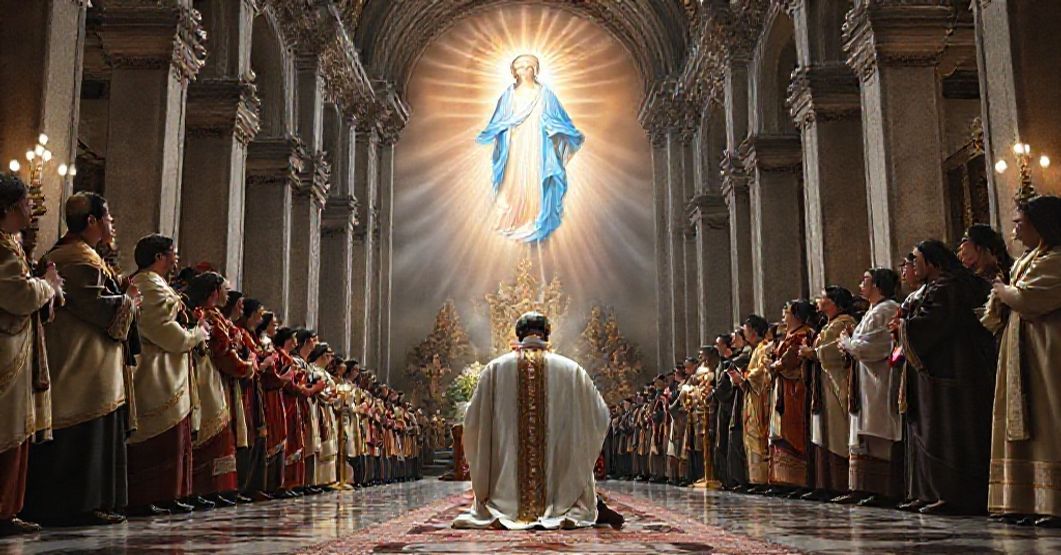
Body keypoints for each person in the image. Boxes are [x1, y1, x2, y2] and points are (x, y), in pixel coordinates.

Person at [23, 192, 138, 526]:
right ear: (91, 221)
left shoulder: (85, 255)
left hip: (92, 364)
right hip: (80, 362)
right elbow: (99, 308)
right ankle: (77, 505)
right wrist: (128, 301)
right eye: (108, 216)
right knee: (81, 434)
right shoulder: (76, 258)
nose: (112, 222)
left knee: (92, 433)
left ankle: (92, 503)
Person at [453, 312, 622, 529]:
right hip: (559, 486)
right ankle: (564, 500)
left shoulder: (495, 370)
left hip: (505, 490)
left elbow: (473, 422)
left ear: (519, 335)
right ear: (546, 335)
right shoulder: (571, 370)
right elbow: (600, 415)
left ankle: (508, 504)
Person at [898, 239, 995, 515]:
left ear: (933, 262)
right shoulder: (941, 286)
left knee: (947, 432)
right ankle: (932, 491)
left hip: (952, 370)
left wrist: (903, 327)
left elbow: (933, 324)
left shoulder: (948, 287)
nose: (913, 267)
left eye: (917, 261)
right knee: (933, 430)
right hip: (943, 370)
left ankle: (954, 495)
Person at [982, 196, 1061, 527]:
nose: (1014, 230)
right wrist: (1003, 292)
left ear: (1040, 225)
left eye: (1019, 222)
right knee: (1023, 421)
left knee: (1048, 417)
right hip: (1022, 348)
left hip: (1047, 350)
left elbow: (1028, 299)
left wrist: (1002, 289)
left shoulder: (1056, 259)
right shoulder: (1030, 259)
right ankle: (1027, 498)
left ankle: (1054, 502)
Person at [126, 234, 209, 516]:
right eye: (172, 253)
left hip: (169, 372)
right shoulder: (147, 285)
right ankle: (148, 495)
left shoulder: (157, 285)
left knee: (174, 438)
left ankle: (170, 494)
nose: (176, 258)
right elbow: (165, 331)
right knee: (157, 437)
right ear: (159, 257)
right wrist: (196, 334)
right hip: (154, 371)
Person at [0, 173, 62, 535]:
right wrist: (48, 285)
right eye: (25, 202)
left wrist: (45, 287)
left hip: (16, 349)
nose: (31, 208)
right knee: (7, 430)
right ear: (9, 208)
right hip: (6, 352)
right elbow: (19, 296)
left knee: (15, 432)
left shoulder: (11, 244)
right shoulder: (3, 248)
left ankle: (9, 509)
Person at [478, 55, 584, 242]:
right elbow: (498, 122)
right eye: (520, 67)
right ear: (514, 72)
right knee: (514, 180)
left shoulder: (545, 94)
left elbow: (560, 120)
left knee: (535, 179)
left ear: (535, 70)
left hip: (538, 146)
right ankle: (514, 218)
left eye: (529, 67)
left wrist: (554, 129)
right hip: (515, 145)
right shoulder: (508, 96)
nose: (525, 71)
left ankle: (535, 218)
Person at [839, 268, 904, 507]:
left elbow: (874, 346)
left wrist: (848, 343)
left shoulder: (887, 309)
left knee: (879, 433)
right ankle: (865, 487)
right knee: (866, 434)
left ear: (877, 284)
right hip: (866, 380)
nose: (860, 285)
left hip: (880, 379)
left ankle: (883, 489)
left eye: (865, 280)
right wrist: (850, 345)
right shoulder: (872, 311)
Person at [187, 272, 252, 507]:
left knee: (220, 433)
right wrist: (248, 367)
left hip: (215, 377)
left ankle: (218, 487)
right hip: (206, 376)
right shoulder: (208, 317)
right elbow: (223, 351)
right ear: (214, 292)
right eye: (225, 289)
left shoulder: (216, 317)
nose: (228, 293)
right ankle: (205, 487)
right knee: (211, 431)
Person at [800, 287, 857, 500]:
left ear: (833, 302)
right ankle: (825, 483)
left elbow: (835, 350)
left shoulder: (844, 322)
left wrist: (812, 353)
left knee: (836, 431)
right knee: (824, 432)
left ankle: (840, 483)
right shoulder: (828, 324)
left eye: (822, 297)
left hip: (836, 382)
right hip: (824, 384)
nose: (818, 300)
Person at [767, 300, 816, 495]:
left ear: (796, 315)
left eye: (786, 312)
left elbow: (790, 360)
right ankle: (783, 479)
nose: (783, 316)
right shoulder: (789, 336)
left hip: (795, 387)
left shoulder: (803, 334)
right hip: (783, 386)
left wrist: (775, 365)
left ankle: (797, 479)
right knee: (782, 428)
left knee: (793, 429)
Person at [735, 316, 772, 490]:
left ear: (755, 331)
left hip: (759, 399)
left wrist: (745, 376)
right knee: (750, 437)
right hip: (752, 397)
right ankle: (755, 478)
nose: (743, 332)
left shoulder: (763, 348)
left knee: (758, 437)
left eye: (746, 329)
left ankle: (762, 479)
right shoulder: (755, 349)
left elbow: (762, 371)